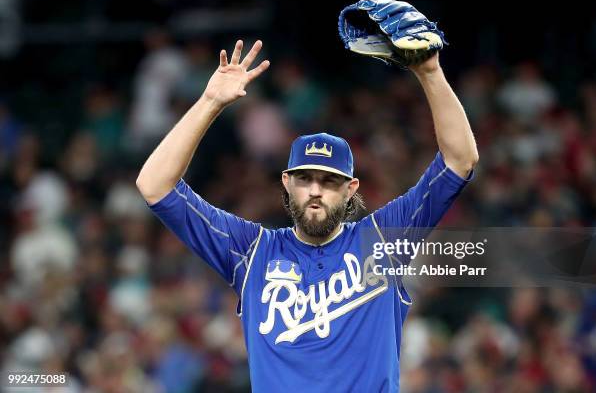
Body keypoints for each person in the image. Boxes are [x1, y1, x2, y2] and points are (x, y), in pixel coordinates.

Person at [136, 39, 478, 392]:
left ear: (350, 189)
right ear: (287, 183)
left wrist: (430, 72)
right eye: (305, 178)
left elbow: (459, 162)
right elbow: (154, 185)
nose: (315, 189)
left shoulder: (381, 240)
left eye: (329, 181)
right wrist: (210, 103)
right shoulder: (252, 250)